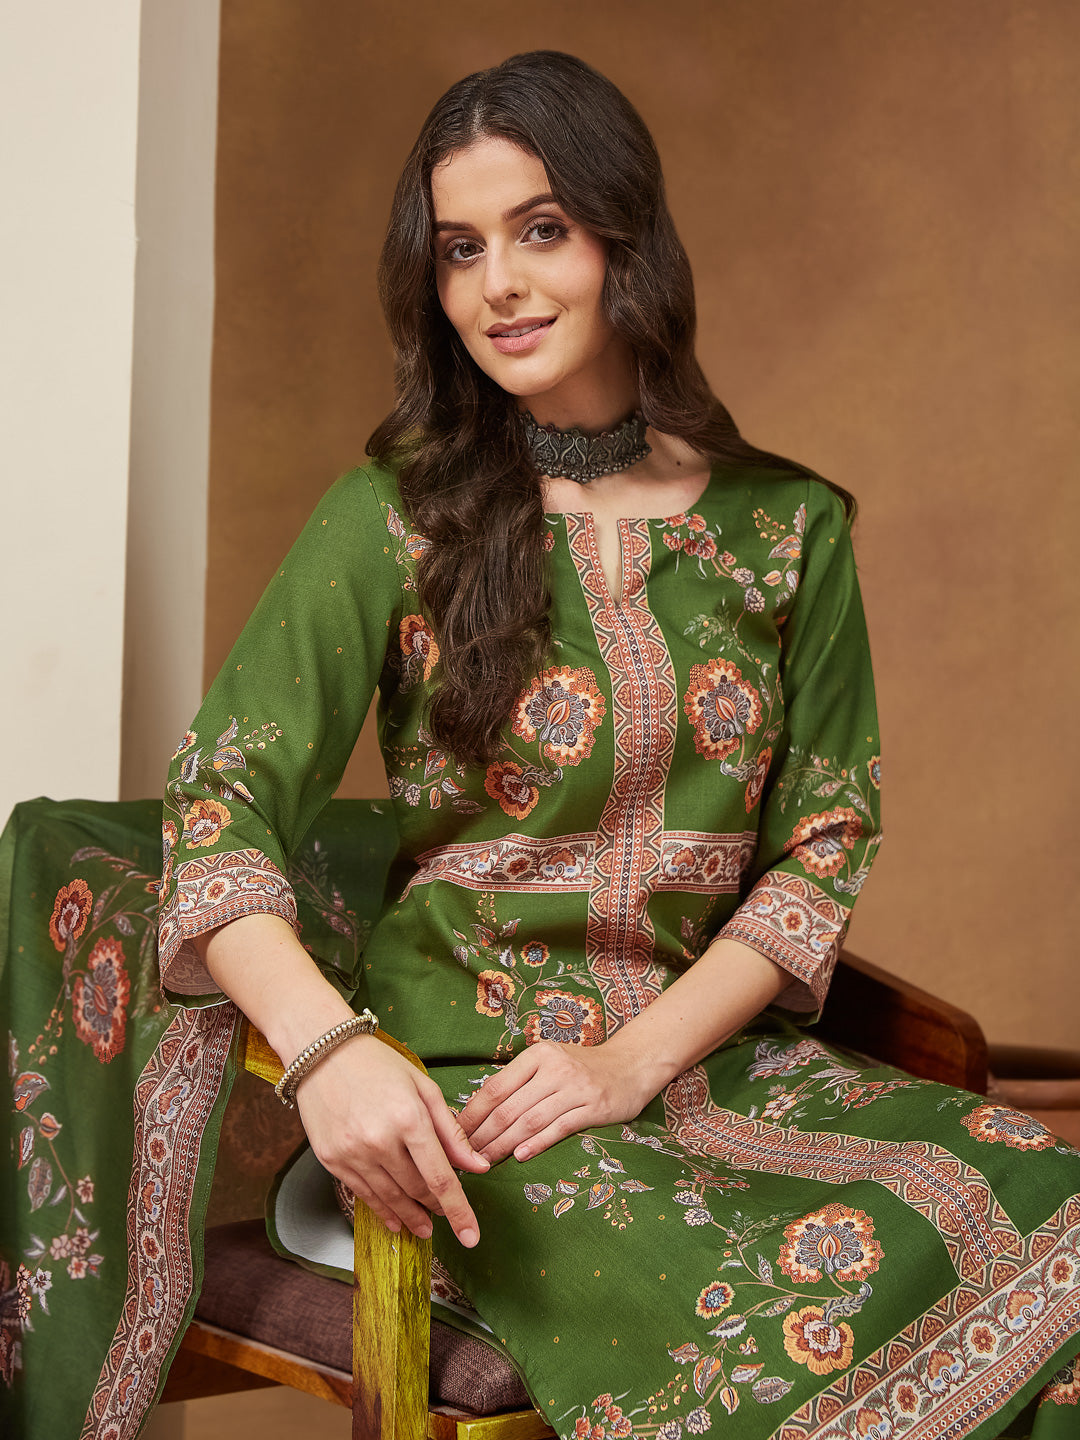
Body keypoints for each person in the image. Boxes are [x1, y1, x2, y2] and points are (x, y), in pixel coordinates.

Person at [102, 50, 1079, 1439]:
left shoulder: (785, 528)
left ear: (628, 237)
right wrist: (329, 1052)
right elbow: (220, 802)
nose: (497, 285)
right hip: (474, 1098)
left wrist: (631, 1063)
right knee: (765, 1316)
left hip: (711, 1070)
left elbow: (822, 843)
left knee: (1046, 1207)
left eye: (541, 230)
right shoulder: (393, 515)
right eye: (460, 249)